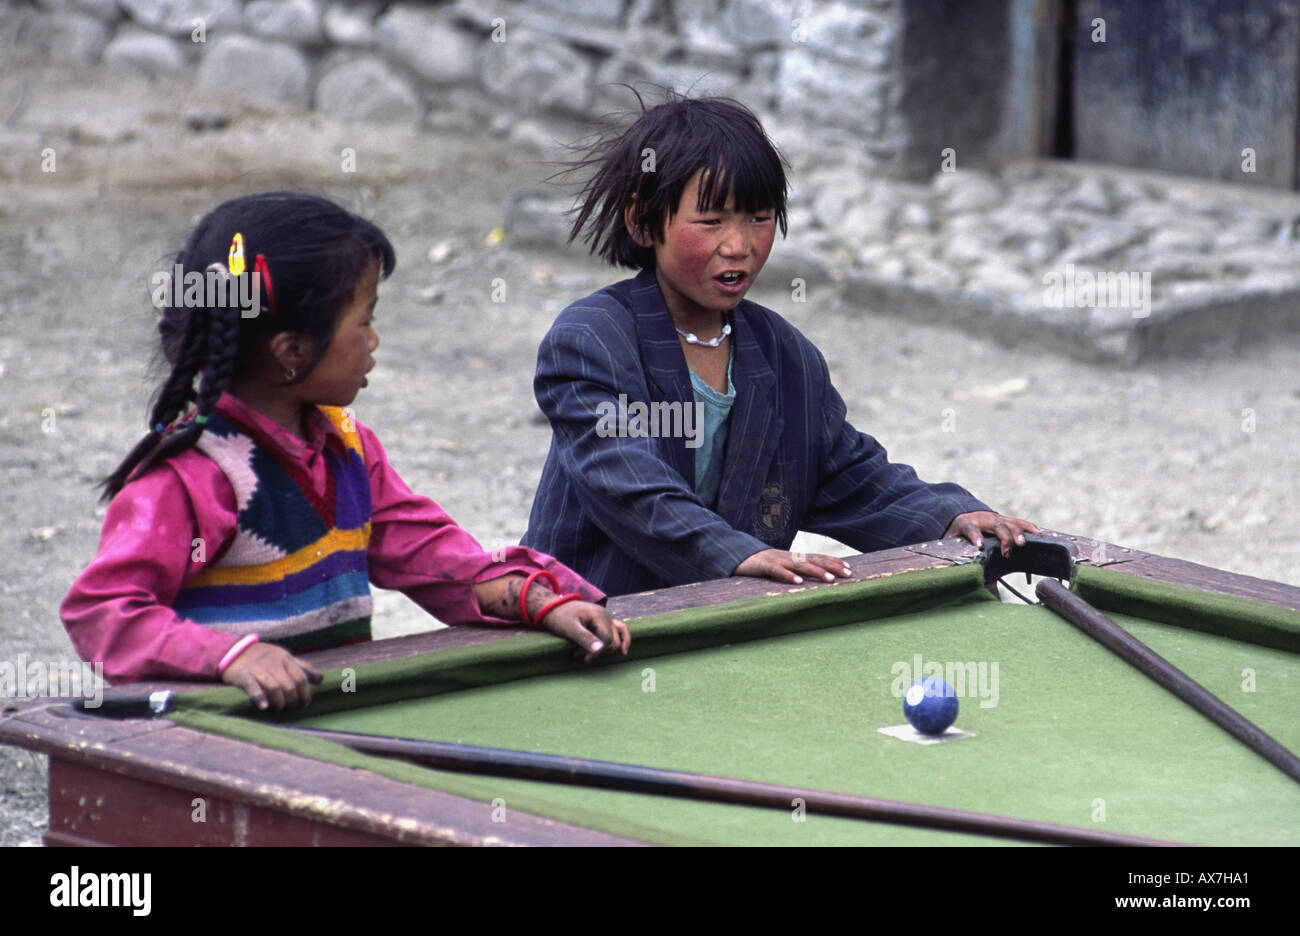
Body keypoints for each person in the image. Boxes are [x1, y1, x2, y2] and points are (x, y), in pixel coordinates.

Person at [63, 192, 628, 710]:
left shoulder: (348, 447)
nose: (375, 339)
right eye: (366, 320)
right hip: (212, 748)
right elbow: (103, 613)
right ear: (291, 351)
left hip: (323, 723)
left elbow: (432, 557)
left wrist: (538, 602)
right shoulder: (193, 473)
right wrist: (229, 658)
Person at [523, 91, 1038, 596]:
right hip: (586, 618)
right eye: (710, 220)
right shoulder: (591, 341)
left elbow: (848, 475)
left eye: (759, 217)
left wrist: (947, 516)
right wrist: (737, 554)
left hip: (722, 626)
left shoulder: (785, 355)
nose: (738, 245)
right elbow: (627, 485)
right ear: (641, 220)